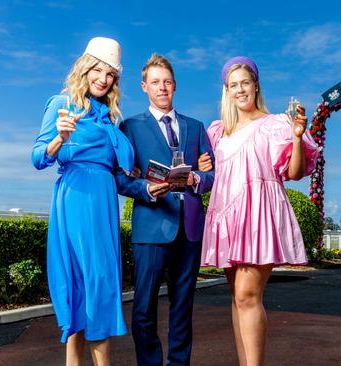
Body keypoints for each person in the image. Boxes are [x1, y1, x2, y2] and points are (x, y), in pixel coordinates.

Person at [200, 56, 320, 366]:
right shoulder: (217, 132)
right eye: (233, 85)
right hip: (227, 217)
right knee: (237, 299)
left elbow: (293, 173)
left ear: (256, 87)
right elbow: (210, 174)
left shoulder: (275, 124)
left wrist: (296, 137)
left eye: (245, 83)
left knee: (247, 296)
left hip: (260, 216)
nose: (240, 90)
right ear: (226, 91)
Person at [31, 37, 133, 366]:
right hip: (75, 197)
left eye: (111, 76)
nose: (104, 80)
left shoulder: (111, 117)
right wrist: (59, 138)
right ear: (85, 68)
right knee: (85, 280)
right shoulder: (61, 103)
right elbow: (37, 157)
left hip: (104, 200)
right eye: (99, 72)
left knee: (98, 281)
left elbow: (121, 173)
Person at [114, 53, 215, 366]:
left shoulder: (196, 127)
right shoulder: (129, 127)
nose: (162, 87)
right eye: (155, 82)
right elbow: (118, 176)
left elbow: (214, 174)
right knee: (143, 308)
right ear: (144, 86)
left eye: (167, 82)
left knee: (182, 307)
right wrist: (143, 188)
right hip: (151, 224)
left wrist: (199, 177)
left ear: (175, 86)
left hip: (189, 227)